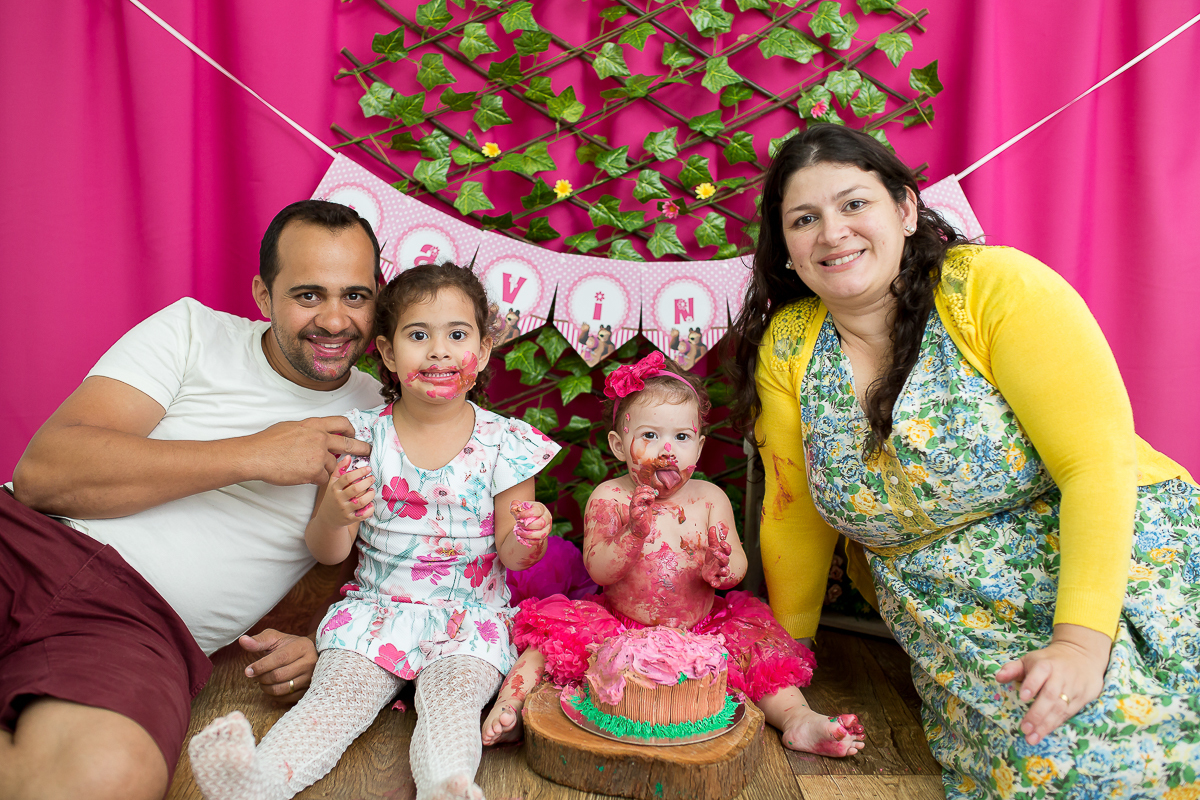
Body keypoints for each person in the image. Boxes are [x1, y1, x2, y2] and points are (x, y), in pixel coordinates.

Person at [727, 124, 1200, 797]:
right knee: (1054, 764)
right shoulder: (792, 345)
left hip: (1110, 559)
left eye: (854, 204)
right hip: (955, 616)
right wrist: (785, 662)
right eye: (806, 219)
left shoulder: (991, 287)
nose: (832, 233)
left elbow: (1096, 466)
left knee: (1139, 753)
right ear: (787, 249)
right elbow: (794, 511)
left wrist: (1080, 643)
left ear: (906, 209)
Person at [0, 199, 383, 800]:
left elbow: (419, 560)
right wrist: (254, 454)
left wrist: (331, 643)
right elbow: (43, 476)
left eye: (355, 296)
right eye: (308, 295)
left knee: (107, 775)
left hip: (135, 624)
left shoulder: (391, 413)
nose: (335, 321)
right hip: (22, 541)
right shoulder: (190, 331)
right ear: (264, 295)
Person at [188, 262, 561, 800]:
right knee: (335, 697)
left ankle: (447, 788)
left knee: (451, 701)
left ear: (480, 352)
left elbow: (514, 556)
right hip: (376, 612)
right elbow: (325, 550)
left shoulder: (506, 443)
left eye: (457, 335)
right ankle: (258, 781)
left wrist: (529, 536)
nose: (438, 351)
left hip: (470, 620)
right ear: (387, 353)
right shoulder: (362, 438)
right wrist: (336, 514)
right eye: (418, 335)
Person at [481, 352, 866, 757]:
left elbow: (737, 565)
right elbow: (599, 570)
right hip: (618, 627)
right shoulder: (610, 498)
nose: (667, 450)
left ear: (698, 447)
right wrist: (632, 534)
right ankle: (512, 708)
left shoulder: (709, 498)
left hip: (704, 629)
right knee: (542, 649)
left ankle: (797, 720)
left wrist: (721, 567)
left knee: (760, 658)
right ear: (617, 445)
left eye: (681, 438)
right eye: (649, 436)